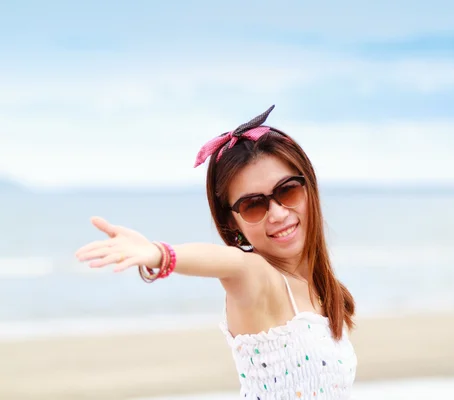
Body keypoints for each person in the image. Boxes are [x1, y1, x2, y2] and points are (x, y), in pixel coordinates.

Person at [75, 105, 358, 399]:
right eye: (253, 205)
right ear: (231, 221)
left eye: (287, 190)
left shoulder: (320, 288)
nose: (276, 213)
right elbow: (231, 263)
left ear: (309, 187)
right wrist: (160, 254)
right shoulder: (260, 279)